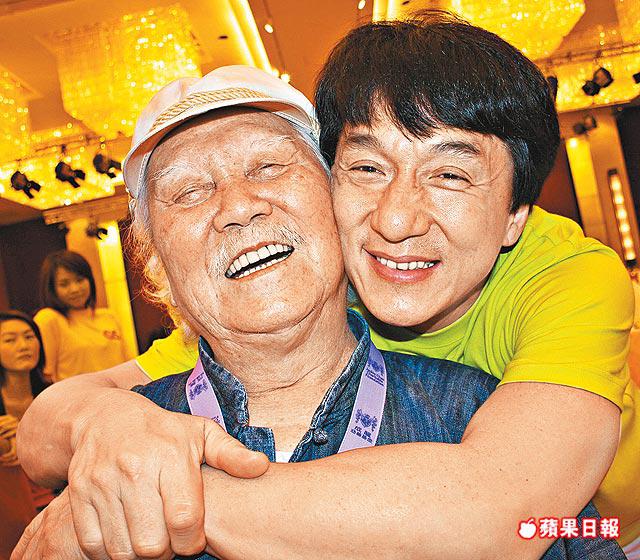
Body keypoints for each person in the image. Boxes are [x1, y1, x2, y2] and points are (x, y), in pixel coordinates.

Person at [16, 11, 637, 559]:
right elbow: (43, 429)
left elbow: (507, 516)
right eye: (191, 191)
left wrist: (157, 497)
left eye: (269, 166)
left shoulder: (555, 290)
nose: (397, 221)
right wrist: (105, 425)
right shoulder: (156, 413)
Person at [0, 311, 53, 558]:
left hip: (54, 497)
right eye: (10, 340)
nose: (23, 346)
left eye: (29, 337)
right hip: (10, 508)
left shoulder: (55, 393)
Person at [34, 250, 130, 382]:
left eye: (80, 280)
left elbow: (127, 363)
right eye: (64, 284)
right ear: (52, 289)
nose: (75, 289)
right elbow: (48, 375)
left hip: (120, 391)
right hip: (76, 394)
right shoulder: (48, 319)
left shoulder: (108, 316)